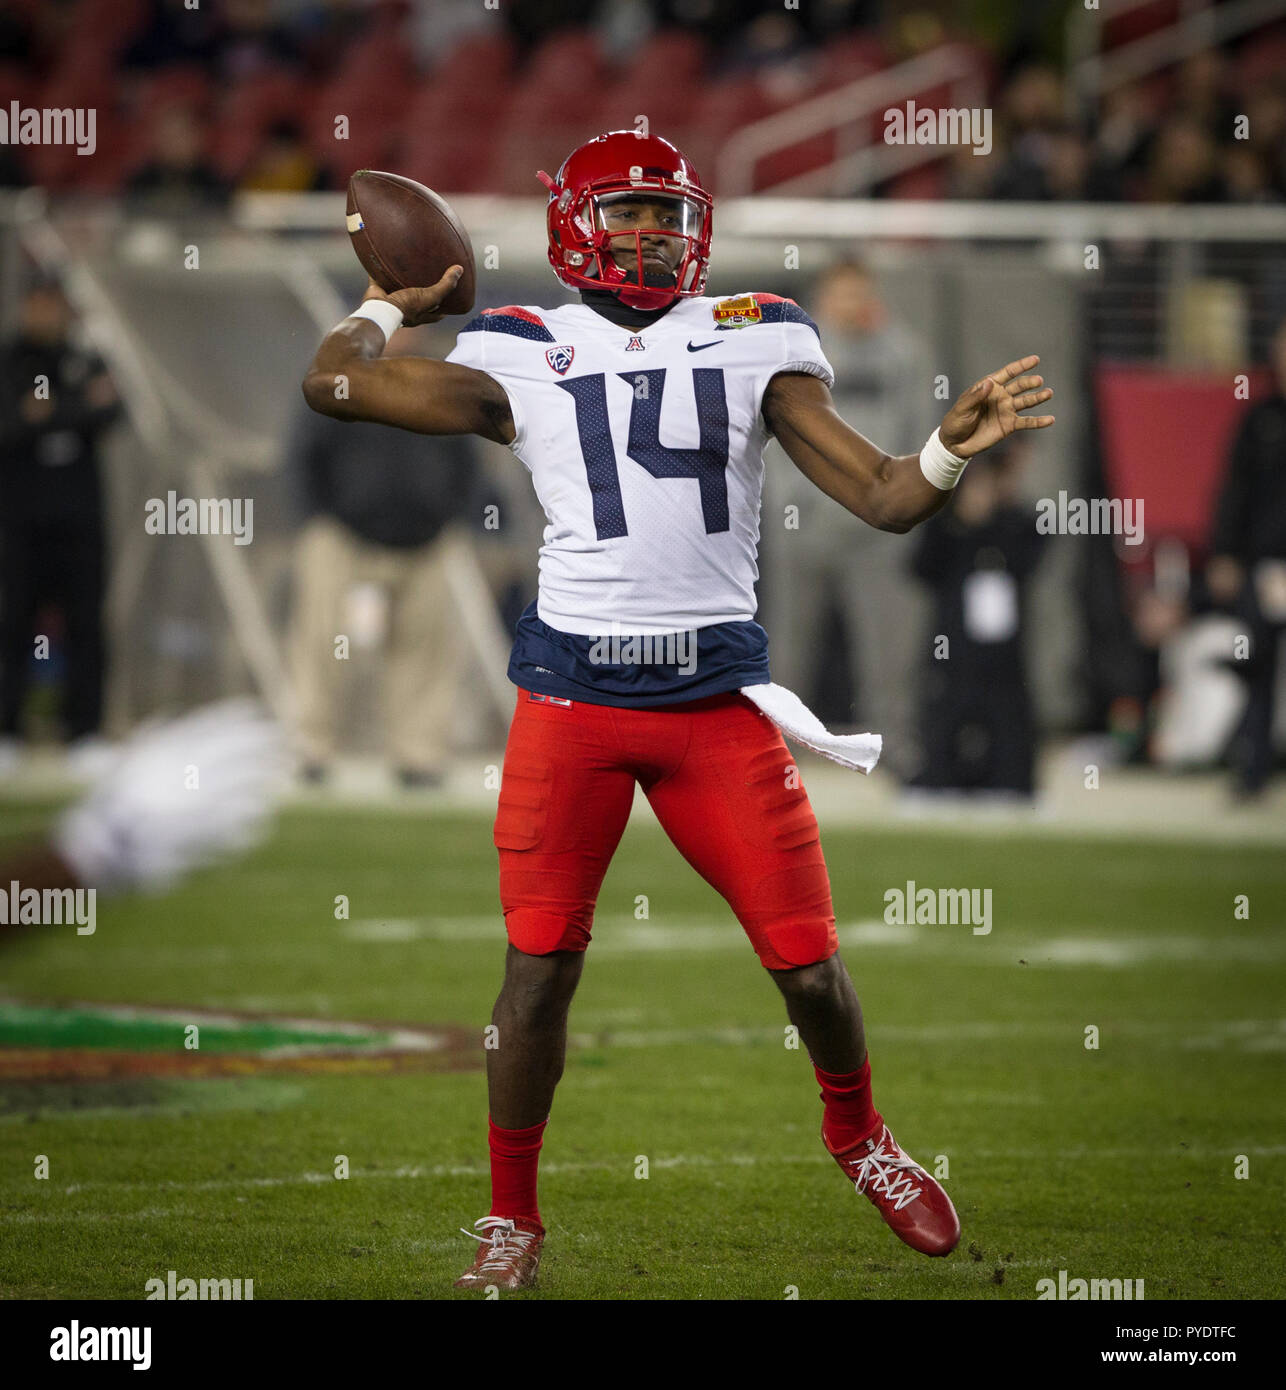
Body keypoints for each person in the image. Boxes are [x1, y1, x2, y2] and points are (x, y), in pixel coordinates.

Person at [301, 130, 1055, 1289]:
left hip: (714, 704)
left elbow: (885, 496)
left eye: (668, 213)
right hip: (572, 702)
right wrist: (385, 304)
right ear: (572, 227)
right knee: (539, 970)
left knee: (807, 968)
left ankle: (857, 1134)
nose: (653, 233)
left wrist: (945, 451)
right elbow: (333, 384)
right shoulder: (519, 344)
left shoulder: (759, 336)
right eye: (629, 213)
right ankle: (511, 1217)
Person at [286, 325, 475, 788]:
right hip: (345, 535)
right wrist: (317, 519)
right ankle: (313, 748)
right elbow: (304, 453)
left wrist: (450, 515)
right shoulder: (340, 375)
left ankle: (419, 756)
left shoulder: (440, 381)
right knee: (325, 643)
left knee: (424, 652)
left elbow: (466, 458)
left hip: (424, 540)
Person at [762, 257, 929, 777]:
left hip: (875, 534)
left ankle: (897, 747)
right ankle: (774, 751)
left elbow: (921, 434)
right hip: (805, 529)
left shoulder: (906, 356)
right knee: (789, 649)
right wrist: (795, 504)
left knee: (889, 651)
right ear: (824, 297)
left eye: (861, 292)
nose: (853, 304)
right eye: (842, 293)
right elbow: (769, 434)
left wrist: (898, 506)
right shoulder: (794, 351)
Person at [0, 281, 119, 775]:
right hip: (19, 520)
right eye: (38, 303)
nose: (46, 313)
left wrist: (48, 412)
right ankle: (8, 730)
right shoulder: (9, 361)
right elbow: (10, 423)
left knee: (86, 622)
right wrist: (73, 410)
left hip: (80, 519)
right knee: (13, 623)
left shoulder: (84, 357)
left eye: (54, 304)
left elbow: (111, 410)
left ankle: (84, 730)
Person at [907, 440, 1048, 800]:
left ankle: (1010, 780)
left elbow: (1030, 557)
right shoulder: (946, 523)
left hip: (1004, 651)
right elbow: (921, 566)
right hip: (953, 646)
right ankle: (937, 777)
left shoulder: (1021, 522)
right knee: (945, 713)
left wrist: (996, 513)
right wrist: (961, 521)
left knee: (1008, 719)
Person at [1207, 317, 1286, 798]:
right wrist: (1226, 553)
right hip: (1267, 567)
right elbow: (1233, 492)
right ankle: (1252, 768)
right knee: (1258, 666)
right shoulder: (1260, 419)